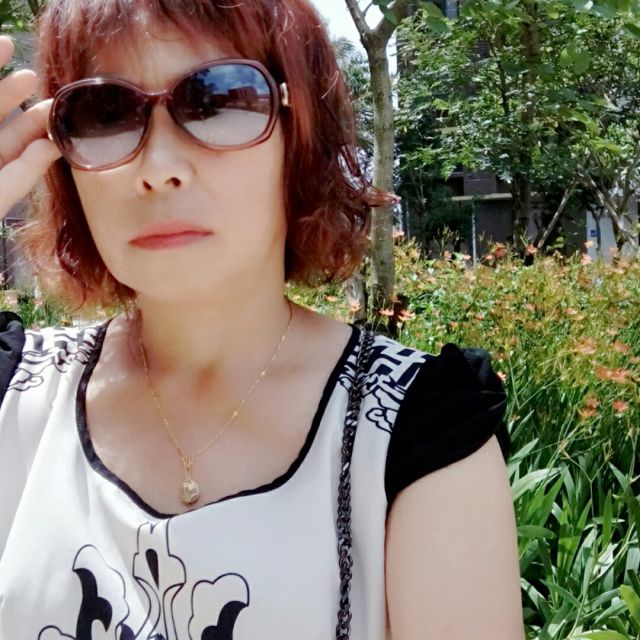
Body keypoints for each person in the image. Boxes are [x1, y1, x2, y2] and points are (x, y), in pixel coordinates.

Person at [0, 0, 525, 638]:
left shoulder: (416, 430)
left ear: (299, 135)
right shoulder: (14, 395)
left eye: (218, 100)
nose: (159, 169)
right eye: (104, 113)